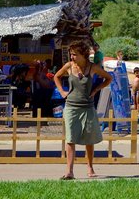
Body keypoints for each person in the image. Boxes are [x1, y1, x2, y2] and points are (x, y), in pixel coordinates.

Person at [54, 41, 111, 180]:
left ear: (83, 55)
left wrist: (97, 89)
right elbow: (56, 76)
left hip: (87, 107)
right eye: (71, 54)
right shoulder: (69, 66)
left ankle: (90, 167)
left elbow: (109, 78)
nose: (72, 57)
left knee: (89, 139)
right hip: (71, 107)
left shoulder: (92, 67)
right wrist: (62, 91)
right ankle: (69, 171)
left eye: (75, 54)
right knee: (70, 138)